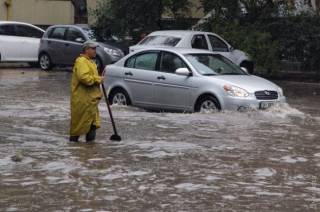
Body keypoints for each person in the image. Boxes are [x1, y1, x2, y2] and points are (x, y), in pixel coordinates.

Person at [69, 40, 104, 142]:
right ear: (86, 49)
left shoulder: (91, 62)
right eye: (93, 49)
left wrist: (98, 78)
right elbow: (84, 78)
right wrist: (98, 79)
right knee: (78, 127)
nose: (95, 51)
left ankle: (89, 151)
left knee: (92, 125)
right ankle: (74, 150)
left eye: (95, 49)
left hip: (91, 101)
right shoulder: (81, 61)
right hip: (83, 101)